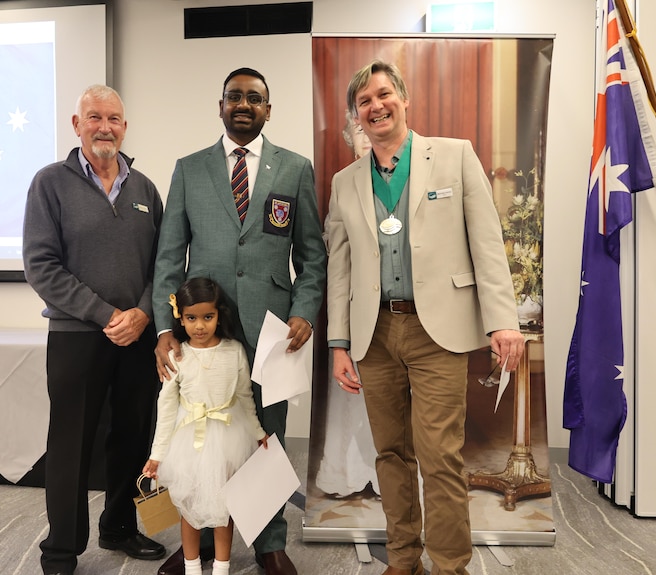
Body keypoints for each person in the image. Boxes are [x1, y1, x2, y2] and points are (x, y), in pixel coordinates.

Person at [326, 60, 525, 575]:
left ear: (404, 99)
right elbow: (340, 268)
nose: (376, 106)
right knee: (390, 454)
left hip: (438, 331)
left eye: (384, 94)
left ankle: (450, 564)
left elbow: (487, 244)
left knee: (440, 457)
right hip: (375, 335)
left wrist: (503, 319)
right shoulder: (345, 182)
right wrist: (339, 343)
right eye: (364, 101)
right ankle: (402, 559)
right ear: (356, 116)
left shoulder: (455, 157)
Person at [152, 67, 326, 575]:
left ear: (268, 110)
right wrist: (167, 329)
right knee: (198, 435)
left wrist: (303, 312)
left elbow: (312, 256)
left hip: (273, 328)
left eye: (255, 98)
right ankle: (202, 538)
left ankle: (270, 542)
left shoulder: (294, 170)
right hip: (203, 330)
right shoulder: (190, 169)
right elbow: (168, 256)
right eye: (235, 97)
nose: (244, 104)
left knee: (265, 433)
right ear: (221, 106)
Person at [22, 84, 166, 575]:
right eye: (95, 117)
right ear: (76, 124)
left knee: (132, 436)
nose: (105, 127)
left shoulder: (145, 189)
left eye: (114, 119)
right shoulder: (49, 184)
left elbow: (162, 266)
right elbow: (41, 266)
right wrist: (106, 315)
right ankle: (61, 549)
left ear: (124, 127)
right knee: (71, 444)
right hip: (76, 337)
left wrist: (144, 314)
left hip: (138, 337)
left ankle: (119, 526)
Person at [143, 277, 269, 575]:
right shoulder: (177, 356)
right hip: (189, 441)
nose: (199, 326)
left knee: (225, 509)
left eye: (207, 317)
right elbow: (167, 407)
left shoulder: (234, 351)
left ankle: (222, 567)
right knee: (189, 506)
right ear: (181, 318)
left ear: (218, 316)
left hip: (228, 438)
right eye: (191, 318)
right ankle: (192, 567)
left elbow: (243, 396)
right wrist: (157, 454)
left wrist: (258, 432)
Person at [315, 109, 379, 500]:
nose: (366, 135)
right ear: (348, 137)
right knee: (351, 395)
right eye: (357, 129)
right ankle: (348, 473)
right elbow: (332, 249)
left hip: (397, 310)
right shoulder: (343, 185)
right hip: (353, 310)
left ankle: (387, 474)